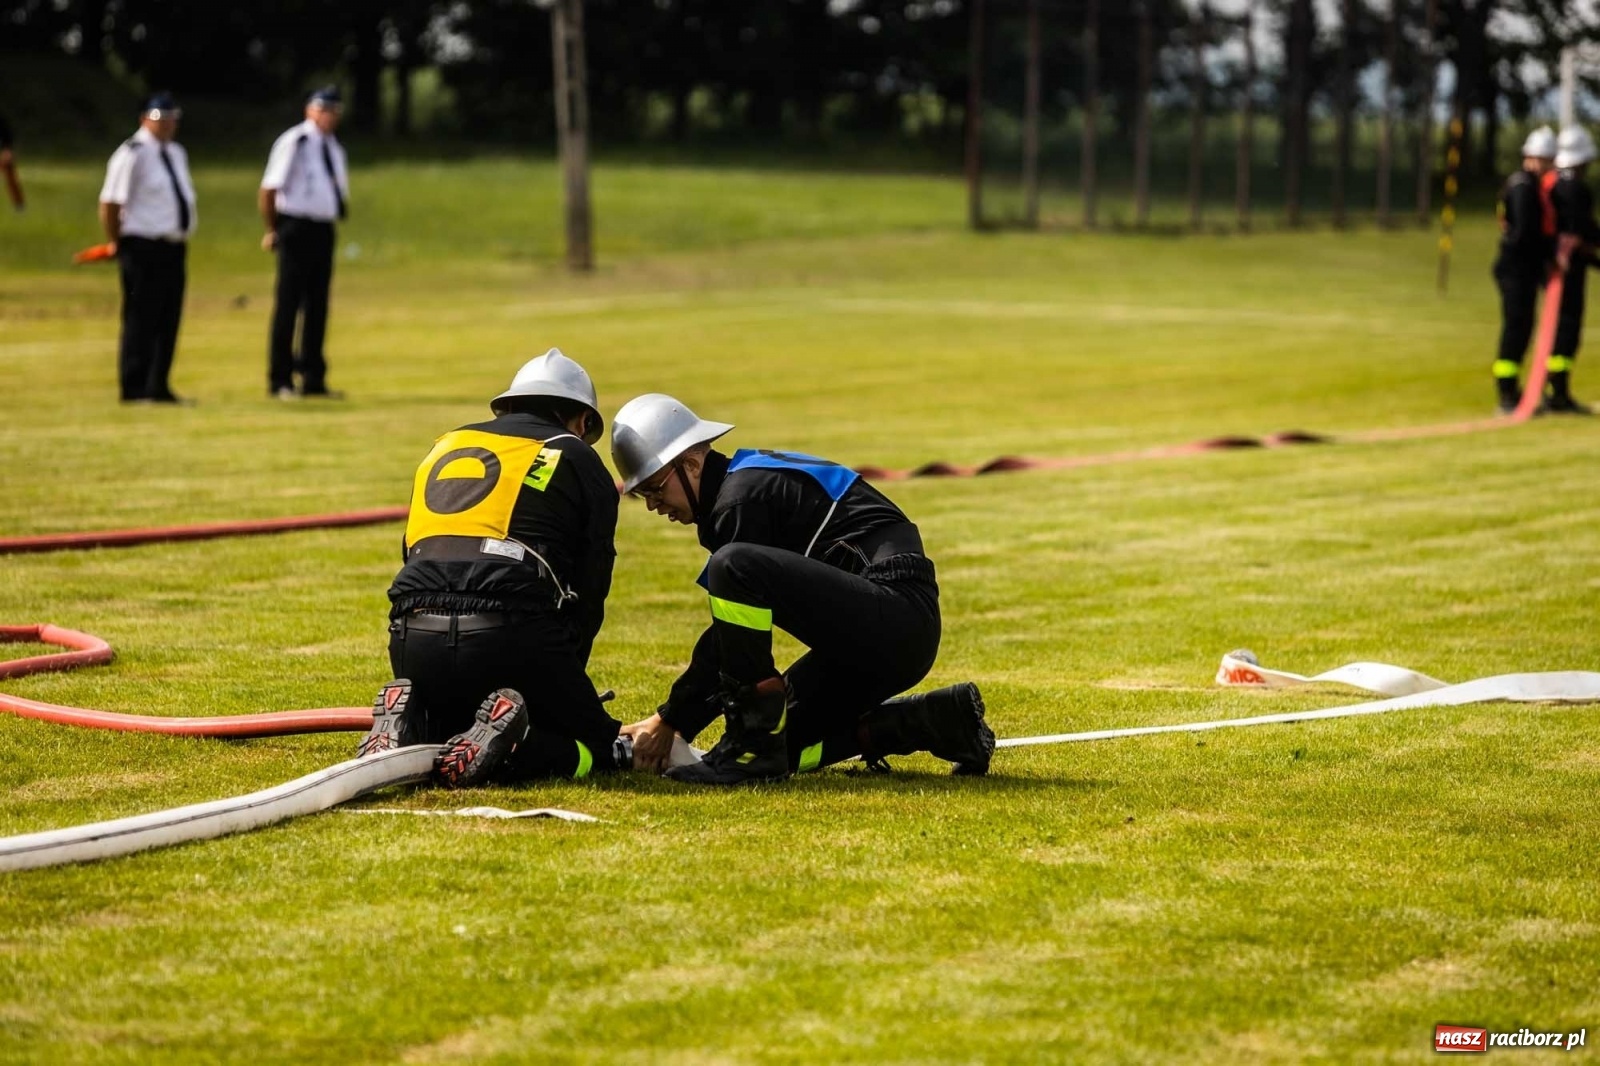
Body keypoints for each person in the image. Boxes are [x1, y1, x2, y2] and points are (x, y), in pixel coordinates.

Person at [609, 393, 995, 786]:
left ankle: (751, 746)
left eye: (656, 489)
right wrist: (673, 722)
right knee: (781, 749)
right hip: (882, 629)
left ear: (691, 463)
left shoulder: (739, 500)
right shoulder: (742, 481)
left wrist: (671, 720)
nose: (655, 505)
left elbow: (725, 640)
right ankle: (937, 721)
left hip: (895, 615)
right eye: (644, 497)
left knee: (733, 566)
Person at [358, 350, 630, 787]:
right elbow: (590, 587)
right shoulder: (572, 453)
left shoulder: (445, 443)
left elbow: (411, 549)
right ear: (580, 420)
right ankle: (522, 737)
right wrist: (566, 686)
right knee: (599, 749)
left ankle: (417, 719)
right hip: (509, 635)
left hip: (411, 637)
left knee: (459, 730)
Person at [98, 92, 197, 405]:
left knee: (168, 317)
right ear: (144, 119)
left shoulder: (176, 152)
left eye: (172, 118)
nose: (167, 124)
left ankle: (159, 384)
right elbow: (111, 202)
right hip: (141, 245)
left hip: (173, 245)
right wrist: (117, 241)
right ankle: (134, 386)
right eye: (160, 118)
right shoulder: (132, 153)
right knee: (141, 316)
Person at [259, 86, 350, 401]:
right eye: (323, 109)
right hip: (295, 226)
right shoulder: (295, 142)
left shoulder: (334, 147)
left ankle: (313, 376)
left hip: (323, 228)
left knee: (318, 304)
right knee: (289, 302)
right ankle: (280, 378)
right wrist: (273, 228)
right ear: (310, 110)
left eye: (334, 110)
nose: (329, 116)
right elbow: (270, 189)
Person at [1545, 126, 1599, 414]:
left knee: (1557, 327)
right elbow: (1584, 230)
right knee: (1567, 329)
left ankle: (1554, 387)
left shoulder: (1552, 184)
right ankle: (1558, 391)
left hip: (1553, 266)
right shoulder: (1576, 189)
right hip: (1570, 268)